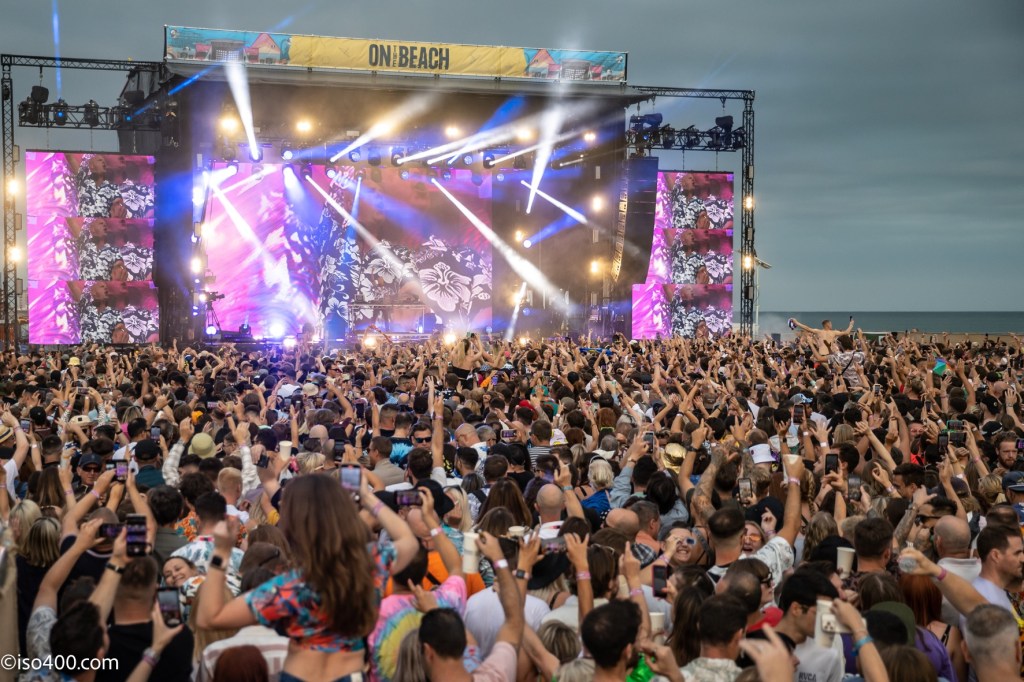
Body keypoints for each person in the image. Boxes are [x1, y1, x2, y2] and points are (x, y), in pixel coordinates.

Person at [195, 473, 419, 682]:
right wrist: (369, 498)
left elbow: (209, 618)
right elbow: (408, 541)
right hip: (350, 674)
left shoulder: (289, 588)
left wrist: (221, 553)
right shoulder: (370, 566)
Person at [417, 531, 523, 682]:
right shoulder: (493, 676)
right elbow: (514, 622)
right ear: (463, 645)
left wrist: (434, 610)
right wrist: (498, 558)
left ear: (428, 652)